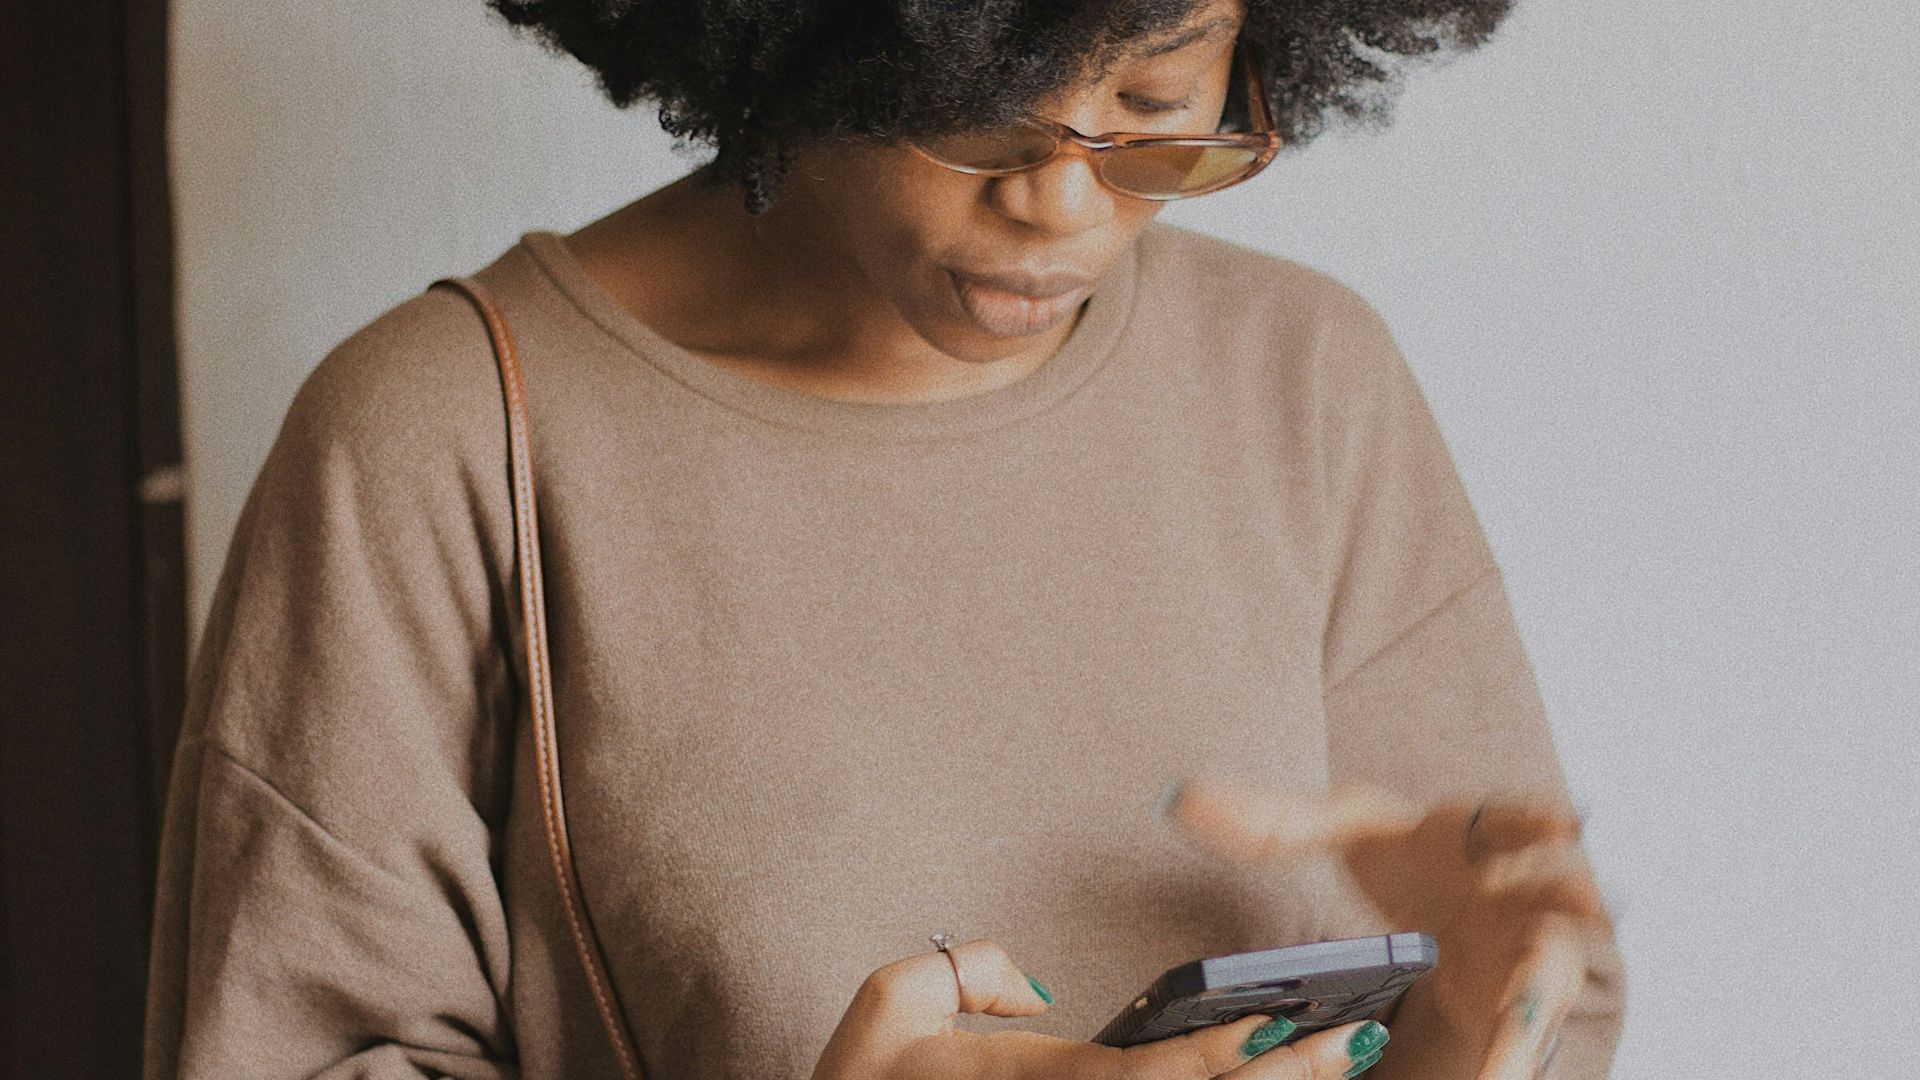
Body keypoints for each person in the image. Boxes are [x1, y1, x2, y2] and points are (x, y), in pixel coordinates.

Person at [143, 0, 1626, 1076]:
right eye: (981, 115)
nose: (1063, 204)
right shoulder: (442, 437)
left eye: (1162, 114)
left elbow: (1556, 1007)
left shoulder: (1308, 376)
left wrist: (1460, 1027)